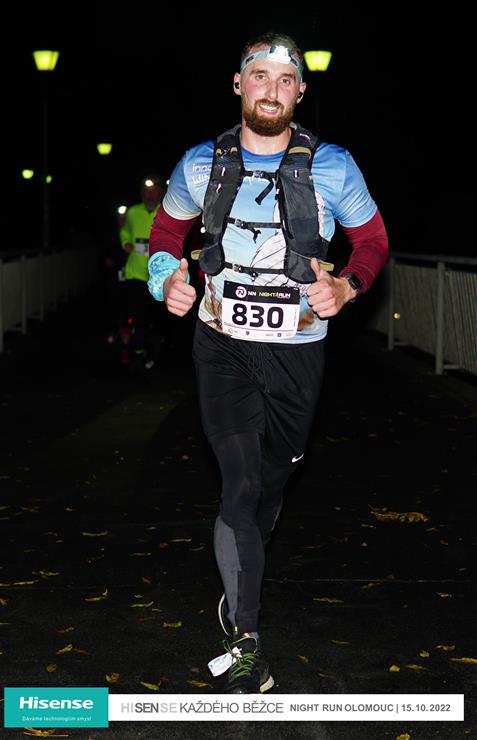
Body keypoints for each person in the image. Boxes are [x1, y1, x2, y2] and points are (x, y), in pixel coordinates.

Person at [148, 31, 388, 693]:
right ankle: (245, 637)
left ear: (300, 93)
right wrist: (165, 278)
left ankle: (240, 573)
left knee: (270, 486)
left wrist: (348, 287)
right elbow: (166, 231)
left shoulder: (333, 165)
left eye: (285, 81)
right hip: (221, 345)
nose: (271, 91)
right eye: (260, 77)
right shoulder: (201, 163)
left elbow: (371, 239)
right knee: (241, 484)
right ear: (238, 84)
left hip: (297, 355)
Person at [119, 174, 165, 369]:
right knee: (137, 316)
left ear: (160, 193)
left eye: (153, 192)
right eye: (146, 192)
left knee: (156, 318)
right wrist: (126, 242)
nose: (150, 195)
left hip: (159, 275)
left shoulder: (165, 212)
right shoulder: (133, 212)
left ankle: (154, 353)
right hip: (135, 273)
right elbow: (125, 231)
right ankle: (137, 352)